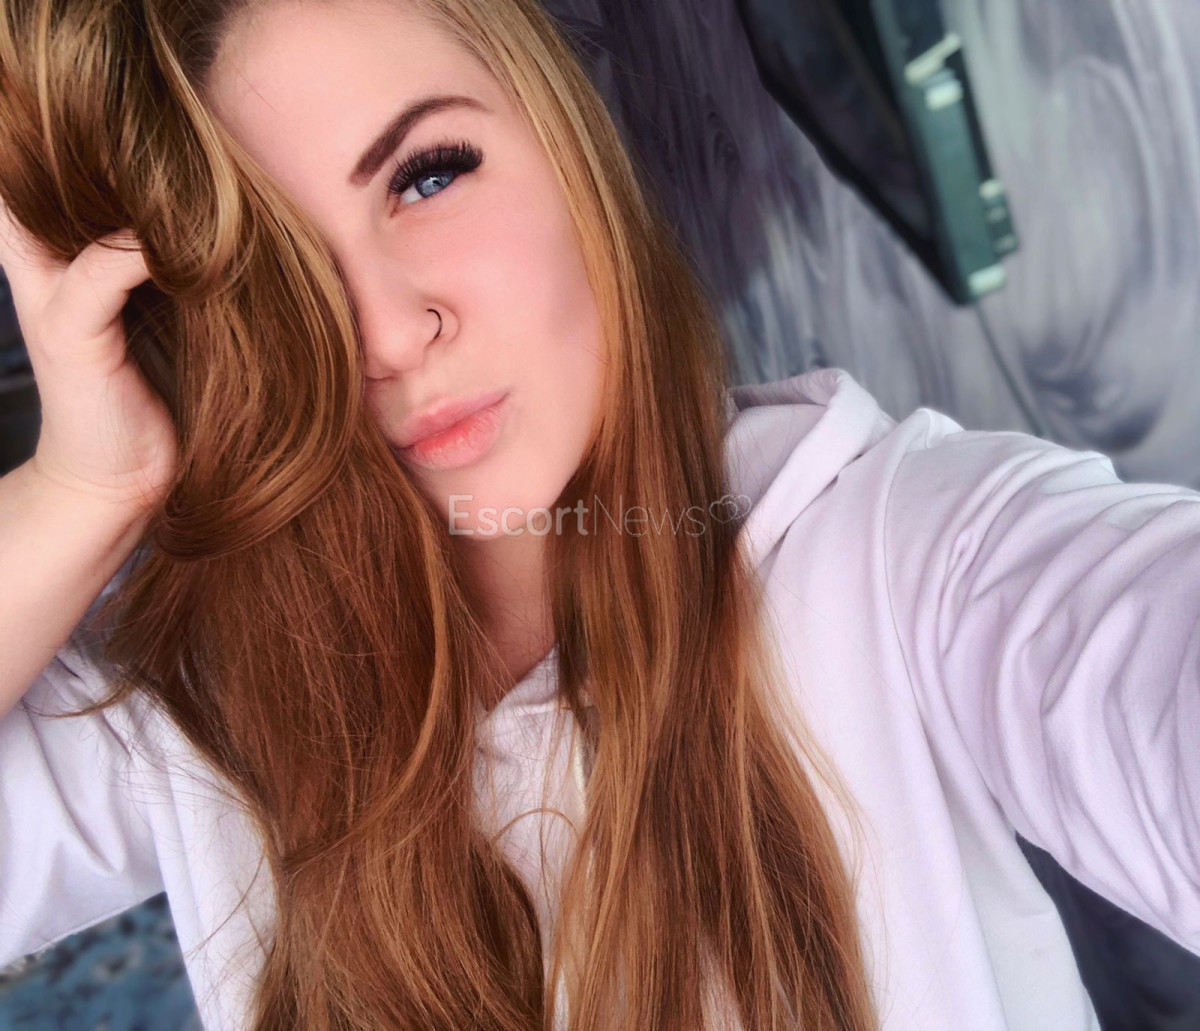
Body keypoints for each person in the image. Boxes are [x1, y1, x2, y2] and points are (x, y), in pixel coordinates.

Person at [0, 0, 1196, 1029]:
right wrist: (80, 491)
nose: (386, 332)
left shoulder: (908, 556)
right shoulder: (200, 703)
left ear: (567, 138)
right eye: (272, 275)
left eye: (428, 175)